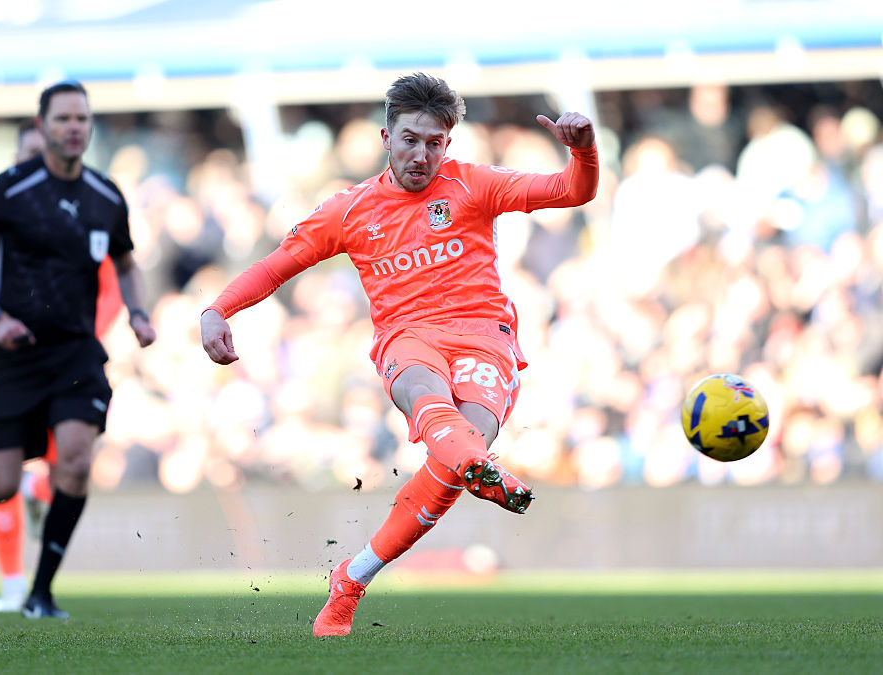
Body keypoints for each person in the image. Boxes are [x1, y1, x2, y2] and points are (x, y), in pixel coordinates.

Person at [200, 72, 598, 636]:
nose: (421, 154)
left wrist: (583, 151)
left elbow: (572, 192)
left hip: (484, 336)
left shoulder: (473, 185)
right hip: (407, 338)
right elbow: (276, 266)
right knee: (425, 394)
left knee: (457, 458)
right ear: (385, 138)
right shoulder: (350, 209)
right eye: (410, 139)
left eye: (434, 142)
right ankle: (475, 466)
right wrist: (218, 309)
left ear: (448, 144)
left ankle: (352, 577)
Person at [0, 80, 156, 619]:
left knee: (76, 462)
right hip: (13, 353)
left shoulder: (105, 197)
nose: (73, 127)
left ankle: (41, 592)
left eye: (81, 118)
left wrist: (138, 312)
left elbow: (126, 264)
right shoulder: (7, 191)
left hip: (76, 353)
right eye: (62, 119)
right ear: (43, 127)